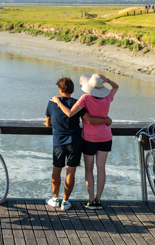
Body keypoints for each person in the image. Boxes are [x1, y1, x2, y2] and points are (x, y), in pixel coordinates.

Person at [51, 73, 118, 210]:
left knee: (89, 169)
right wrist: (107, 80)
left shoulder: (85, 98)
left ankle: (91, 200)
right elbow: (116, 87)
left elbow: (70, 113)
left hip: (90, 139)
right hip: (105, 136)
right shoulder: (107, 97)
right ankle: (98, 200)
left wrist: (58, 102)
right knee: (101, 169)